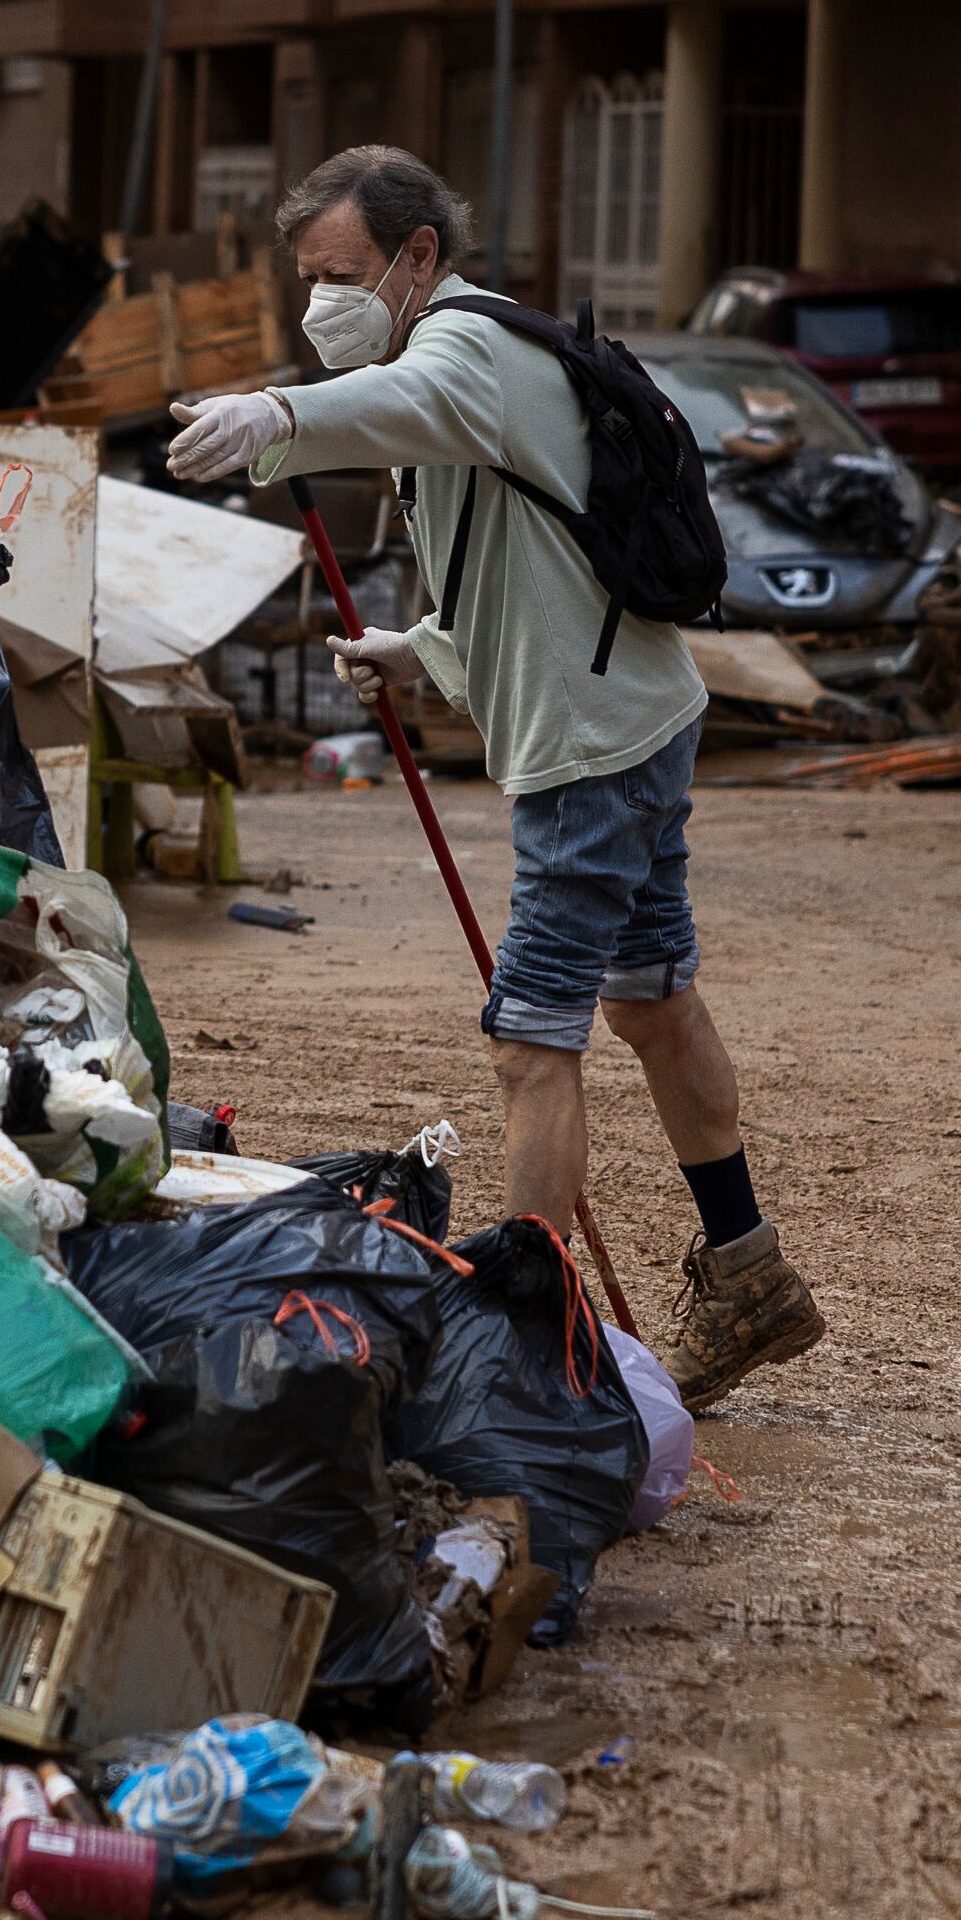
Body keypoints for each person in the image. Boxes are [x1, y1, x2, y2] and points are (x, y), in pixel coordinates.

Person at [165, 144, 825, 1407]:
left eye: (341, 274)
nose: (321, 305)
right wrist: (417, 650)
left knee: (531, 1042)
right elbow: (526, 565)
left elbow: (385, 413)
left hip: (589, 755)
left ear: (419, 257)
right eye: (306, 279)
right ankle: (749, 1275)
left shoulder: (465, 352)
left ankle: (521, 1347)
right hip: (628, 719)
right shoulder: (461, 371)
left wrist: (279, 418)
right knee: (650, 1002)